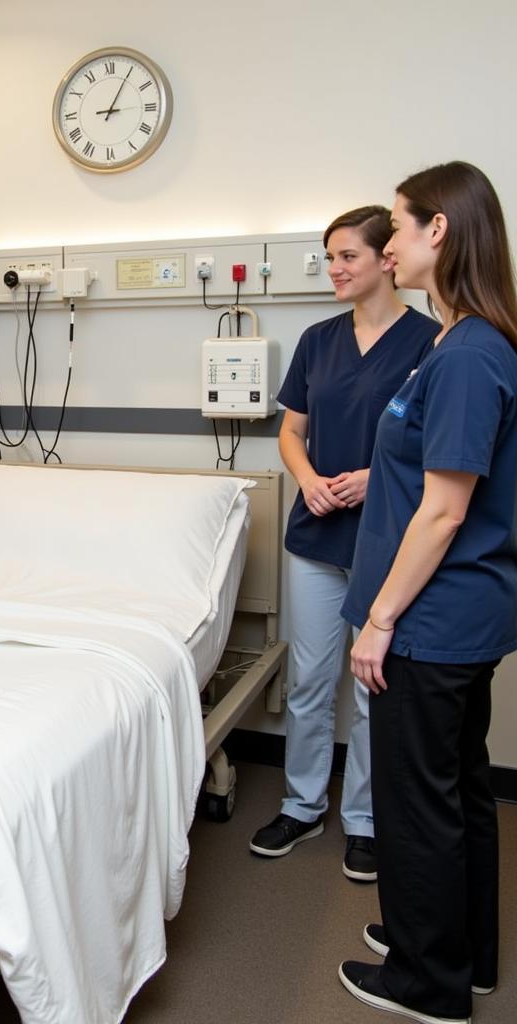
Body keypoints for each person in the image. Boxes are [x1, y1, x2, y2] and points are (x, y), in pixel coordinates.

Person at [338, 162, 517, 1024]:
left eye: (401, 229)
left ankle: (426, 981)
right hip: (456, 619)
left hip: (430, 622)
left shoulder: (472, 352)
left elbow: (443, 512)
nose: (394, 243)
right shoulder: (458, 342)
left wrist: (378, 620)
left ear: (437, 232)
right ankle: (463, 952)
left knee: (419, 804)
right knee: (459, 791)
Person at [249, 206, 438, 880]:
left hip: (386, 541)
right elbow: (290, 432)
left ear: (388, 260)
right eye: (329, 257)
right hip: (316, 533)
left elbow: (437, 449)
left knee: (369, 685)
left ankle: (363, 818)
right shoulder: (317, 340)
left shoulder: (430, 342)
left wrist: (372, 480)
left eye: (347, 256)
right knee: (309, 678)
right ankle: (302, 805)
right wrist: (309, 481)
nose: (334, 269)